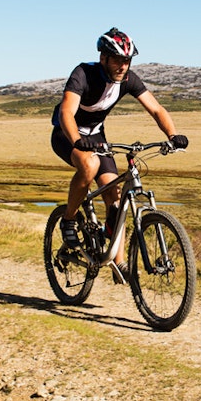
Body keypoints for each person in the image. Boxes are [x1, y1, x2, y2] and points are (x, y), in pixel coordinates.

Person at [51, 28, 188, 269]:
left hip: (96, 136)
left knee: (116, 198)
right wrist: (77, 141)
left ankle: (120, 263)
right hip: (67, 133)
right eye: (117, 59)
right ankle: (69, 220)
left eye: (127, 60)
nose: (123, 65)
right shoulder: (83, 73)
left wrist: (173, 135)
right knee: (89, 164)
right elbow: (66, 112)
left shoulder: (129, 79)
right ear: (103, 57)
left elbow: (156, 109)